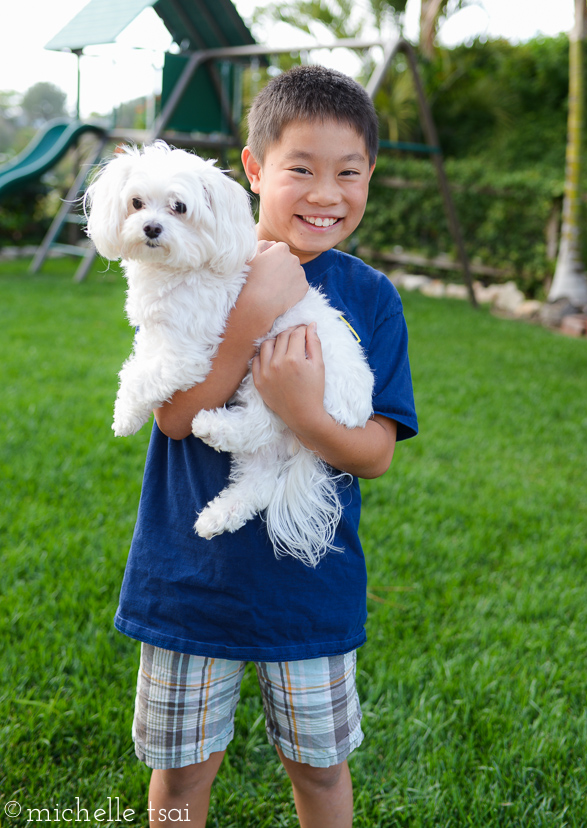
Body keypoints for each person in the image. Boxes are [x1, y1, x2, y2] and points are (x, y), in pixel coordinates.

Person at [114, 65, 418, 828]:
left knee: (319, 774)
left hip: (310, 589)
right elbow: (175, 417)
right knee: (180, 782)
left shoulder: (372, 298)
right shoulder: (189, 262)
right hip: (189, 577)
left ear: (369, 178)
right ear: (252, 171)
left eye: (349, 173)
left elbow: (374, 452)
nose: (325, 194)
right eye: (300, 170)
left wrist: (301, 410)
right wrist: (250, 319)